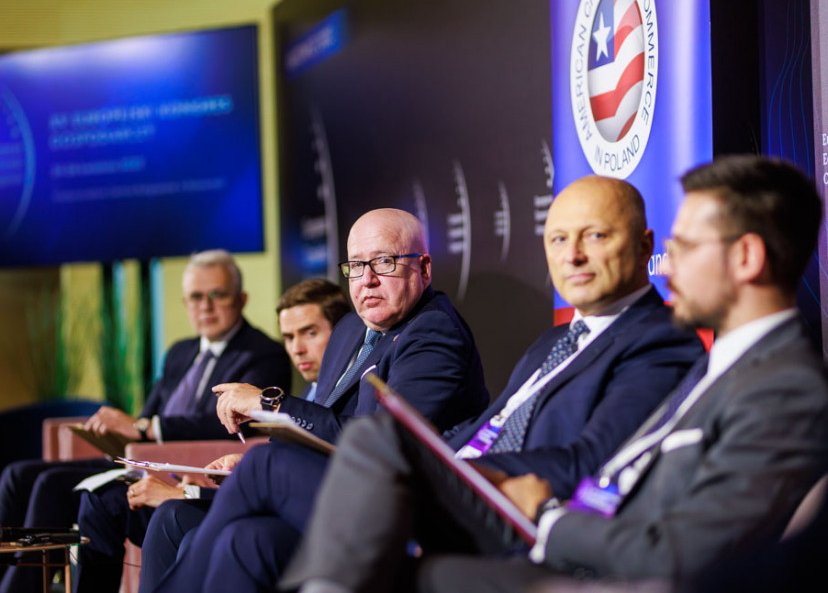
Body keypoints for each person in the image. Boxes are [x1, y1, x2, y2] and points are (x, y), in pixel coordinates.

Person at [286, 155, 828, 593]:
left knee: (372, 459)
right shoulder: (725, 363)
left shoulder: (780, 387)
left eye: (683, 247)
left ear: (746, 257)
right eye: (557, 240)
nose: (668, 263)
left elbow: (686, 553)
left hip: (586, 561)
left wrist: (547, 516)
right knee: (332, 535)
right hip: (555, 532)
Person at [147, 176, 707, 593]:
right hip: (451, 487)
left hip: (503, 513)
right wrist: (438, 458)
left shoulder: (661, 342)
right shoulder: (552, 341)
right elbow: (487, 425)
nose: (573, 255)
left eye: (595, 236)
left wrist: (447, 469)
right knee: (246, 541)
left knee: (272, 465)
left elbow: (589, 461)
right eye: (558, 239)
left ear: (645, 245)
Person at [138, 207, 494, 590]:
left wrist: (269, 404)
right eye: (356, 266)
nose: (367, 280)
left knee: (259, 476)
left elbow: (377, 443)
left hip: (392, 509)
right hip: (329, 493)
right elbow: (320, 426)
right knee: (176, 520)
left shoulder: (433, 333)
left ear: (423, 268)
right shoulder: (350, 328)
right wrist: (254, 471)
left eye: (384, 262)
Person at [0, 249, 291, 593]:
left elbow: (235, 423)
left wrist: (147, 428)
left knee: (51, 485)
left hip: (176, 465)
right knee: (18, 475)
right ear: (185, 303)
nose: (205, 306)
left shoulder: (264, 353)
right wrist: (125, 429)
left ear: (241, 299)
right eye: (195, 297)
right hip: (139, 456)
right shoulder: (180, 352)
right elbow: (146, 416)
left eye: (217, 295)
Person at [73, 278, 350, 592]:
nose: (297, 349)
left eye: (309, 333)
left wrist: (189, 493)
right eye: (289, 336)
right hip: (236, 493)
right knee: (84, 491)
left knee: (171, 515)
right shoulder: (308, 395)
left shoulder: (284, 375)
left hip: (304, 519)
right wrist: (232, 471)